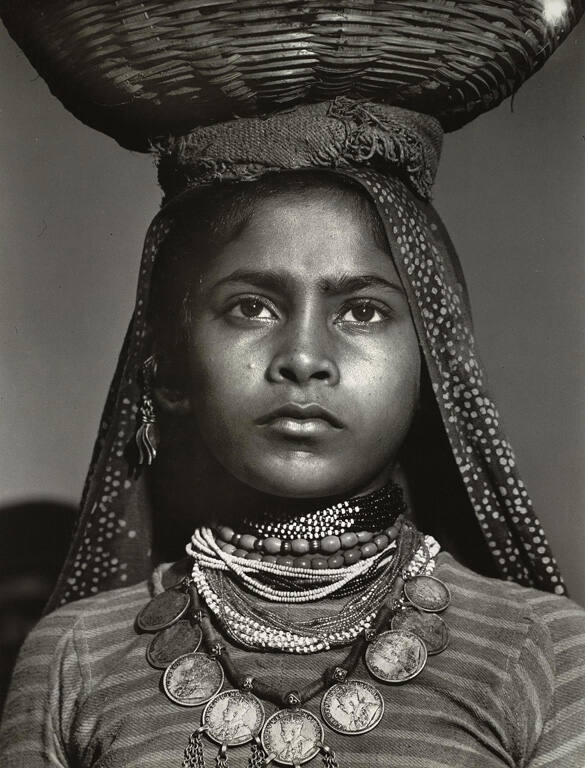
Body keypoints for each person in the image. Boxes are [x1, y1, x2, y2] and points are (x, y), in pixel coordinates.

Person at [1, 5, 584, 768]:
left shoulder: (539, 652)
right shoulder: (74, 658)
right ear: (168, 369)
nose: (304, 358)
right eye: (250, 307)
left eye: (363, 311)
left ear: (430, 366)